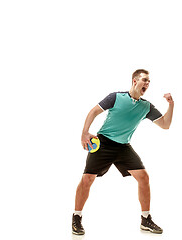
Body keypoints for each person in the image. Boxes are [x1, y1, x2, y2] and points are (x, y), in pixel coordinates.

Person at [72, 69, 174, 235]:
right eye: (144, 80)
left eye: (149, 82)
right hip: (103, 143)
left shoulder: (146, 106)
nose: (147, 84)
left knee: (143, 177)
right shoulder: (116, 97)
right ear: (134, 81)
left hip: (123, 147)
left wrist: (171, 104)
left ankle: (146, 219)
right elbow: (94, 111)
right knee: (87, 179)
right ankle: (76, 217)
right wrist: (84, 133)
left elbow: (165, 124)